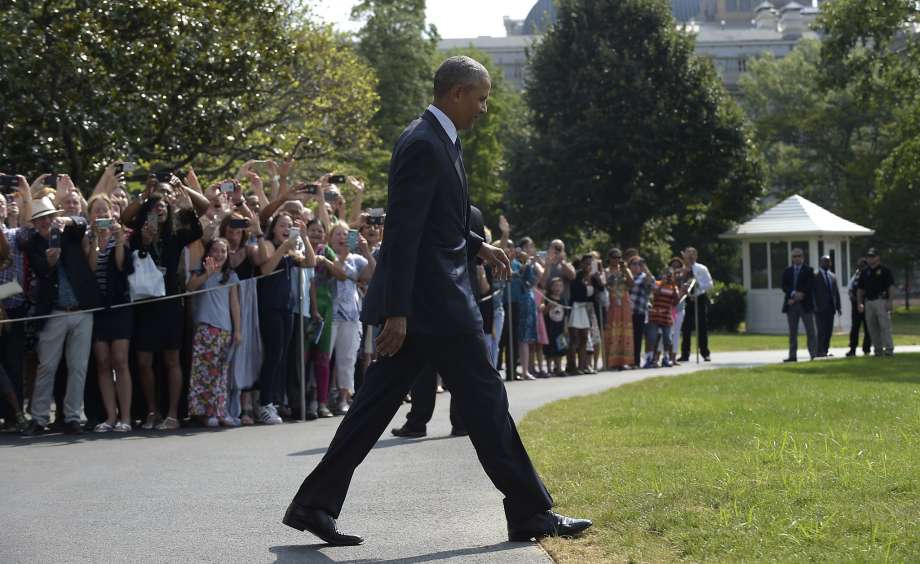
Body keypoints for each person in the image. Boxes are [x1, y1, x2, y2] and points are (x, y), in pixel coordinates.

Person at [284, 56, 591, 545]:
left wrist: (476, 243)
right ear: (456, 93)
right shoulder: (424, 143)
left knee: (374, 408)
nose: (485, 109)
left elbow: (436, 223)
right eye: (482, 97)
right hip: (433, 306)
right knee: (487, 402)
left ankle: (313, 504)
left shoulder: (440, 139)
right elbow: (404, 233)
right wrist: (398, 311)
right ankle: (532, 513)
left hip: (432, 304)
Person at [23, 195, 102, 435]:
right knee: (47, 366)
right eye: (41, 219)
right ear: (35, 224)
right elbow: (40, 271)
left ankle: (72, 416)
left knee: (78, 366)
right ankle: (38, 417)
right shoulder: (33, 244)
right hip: (54, 311)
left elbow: (82, 222)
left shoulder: (69, 231)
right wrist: (49, 262)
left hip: (81, 309)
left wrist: (65, 220)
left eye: (49, 217)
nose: (46, 222)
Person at [85, 195, 133, 433]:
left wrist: (119, 239)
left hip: (120, 307)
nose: (101, 214)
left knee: (120, 360)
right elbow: (92, 267)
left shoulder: (121, 236)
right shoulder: (88, 239)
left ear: (112, 213)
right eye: (97, 211)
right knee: (102, 362)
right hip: (98, 308)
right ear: (91, 215)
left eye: (105, 210)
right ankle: (110, 416)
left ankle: (126, 417)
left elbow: (121, 265)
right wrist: (95, 238)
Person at [185, 238, 241, 427]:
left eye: (223, 251)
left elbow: (234, 304)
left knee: (220, 372)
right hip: (205, 327)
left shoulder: (230, 276)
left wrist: (238, 330)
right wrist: (207, 275)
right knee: (203, 373)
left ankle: (220, 410)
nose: (219, 255)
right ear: (208, 253)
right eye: (215, 251)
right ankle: (204, 412)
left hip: (224, 328)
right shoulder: (200, 271)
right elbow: (190, 287)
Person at [857, 248, 896, 356]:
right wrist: (859, 303)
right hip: (869, 302)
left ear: (878, 257)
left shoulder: (885, 270)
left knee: (885, 327)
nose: (870, 259)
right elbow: (860, 289)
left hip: (881, 301)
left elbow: (891, 287)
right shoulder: (865, 272)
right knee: (872, 328)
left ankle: (889, 350)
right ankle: (878, 350)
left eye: (872, 256)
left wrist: (890, 301)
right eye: (869, 256)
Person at [781, 248, 816, 362]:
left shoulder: (809, 270)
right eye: (794, 256)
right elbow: (784, 286)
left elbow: (810, 285)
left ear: (803, 257)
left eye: (799, 256)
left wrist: (801, 294)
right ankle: (792, 356)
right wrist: (793, 294)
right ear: (792, 258)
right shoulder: (787, 271)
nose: (797, 258)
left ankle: (813, 354)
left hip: (805, 304)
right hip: (791, 305)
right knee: (792, 332)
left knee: (810, 330)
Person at [678, 247, 713, 362]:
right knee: (686, 326)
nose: (690, 256)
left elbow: (709, 284)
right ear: (685, 256)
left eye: (693, 254)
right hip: (687, 298)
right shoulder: (682, 269)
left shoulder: (702, 268)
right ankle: (685, 354)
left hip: (699, 297)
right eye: (688, 254)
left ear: (696, 256)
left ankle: (705, 352)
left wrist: (698, 286)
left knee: (702, 325)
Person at [604, 248, 633, 370]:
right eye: (614, 257)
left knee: (624, 330)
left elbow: (631, 284)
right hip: (612, 302)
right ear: (609, 258)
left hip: (624, 303)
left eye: (618, 257)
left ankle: (624, 360)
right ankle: (611, 361)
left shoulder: (625, 271)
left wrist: (625, 270)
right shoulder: (605, 271)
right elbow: (603, 284)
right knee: (612, 331)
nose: (616, 260)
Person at [627, 255, 654, 368]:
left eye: (639, 264)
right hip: (625, 312)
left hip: (639, 311)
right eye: (634, 264)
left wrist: (645, 268)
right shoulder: (626, 276)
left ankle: (636, 361)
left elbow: (652, 282)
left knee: (637, 337)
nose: (636, 266)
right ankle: (626, 360)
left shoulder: (643, 277)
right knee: (627, 337)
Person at [813, 254, 841, 358]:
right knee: (821, 330)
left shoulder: (832, 276)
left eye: (829, 261)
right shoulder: (815, 275)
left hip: (830, 308)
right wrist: (814, 305)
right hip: (819, 308)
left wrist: (838, 307)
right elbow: (813, 292)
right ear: (820, 262)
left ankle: (825, 350)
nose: (827, 263)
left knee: (829, 330)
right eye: (825, 261)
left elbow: (836, 293)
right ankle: (819, 350)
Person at [846, 257, 872, 357]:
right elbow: (850, 288)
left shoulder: (869, 275)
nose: (860, 267)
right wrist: (852, 297)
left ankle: (866, 348)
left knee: (867, 327)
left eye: (862, 265)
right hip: (856, 306)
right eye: (859, 265)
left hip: (866, 304)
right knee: (855, 328)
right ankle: (852, 348)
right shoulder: (856, 275)